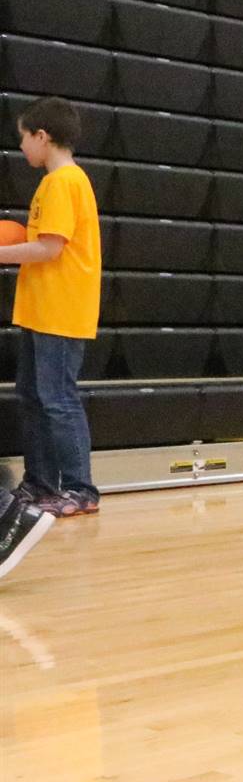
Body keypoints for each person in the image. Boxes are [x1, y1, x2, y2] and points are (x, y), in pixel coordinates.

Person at [2, 97, 102, 519]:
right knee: (33, 396)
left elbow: (49, 248)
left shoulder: (65, 182)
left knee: (58, 398)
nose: (21, 147)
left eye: (24, 138)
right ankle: (40, 483)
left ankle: (81, 489)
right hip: (41, 309)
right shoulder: (51, 183)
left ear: (42, 137)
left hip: (61, 310)